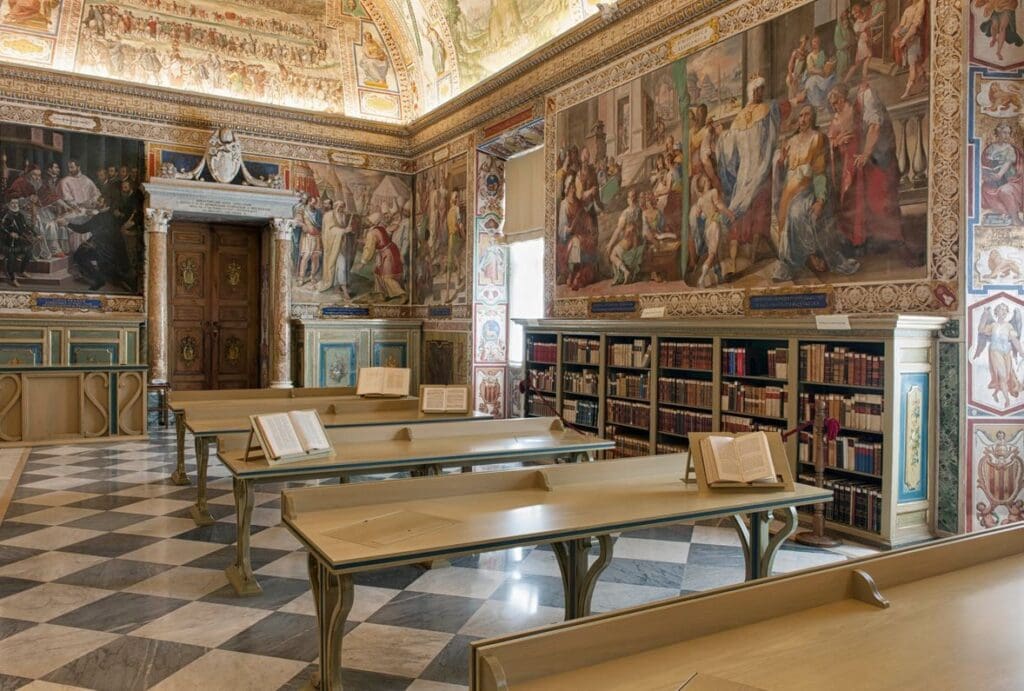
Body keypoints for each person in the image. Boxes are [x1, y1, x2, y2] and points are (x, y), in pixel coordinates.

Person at [717, 76, 799, 276]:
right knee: (743, 211)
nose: (760, 93)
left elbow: (784, 109)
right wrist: (721, 137)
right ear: (751, 91)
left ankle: (754, 255)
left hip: (762, 168)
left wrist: (796, 100)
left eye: (762, 89)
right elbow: (730, 146)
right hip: (746, 172)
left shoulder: (768, 108)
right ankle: (737, 261)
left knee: (760, 210)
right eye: (757, 89)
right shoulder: (740, 117)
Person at [772, 105, 860, 282]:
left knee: (796, 213)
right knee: (782, 216)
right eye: (801, 115)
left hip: (808, 189)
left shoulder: (817, 138)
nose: (803, 119)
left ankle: (810, 256)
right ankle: (792, 262)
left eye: (807, 115)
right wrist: (781, 163)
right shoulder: (790, 142)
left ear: (813, 118)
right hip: (789, 190)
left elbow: (820, 173)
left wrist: (820, 199)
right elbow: (784, 171)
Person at [826, 83, 906, 254]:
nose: (835, 106)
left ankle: (889, 238)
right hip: (858, 159)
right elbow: (834, 137)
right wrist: (838, 143)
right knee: (860, 199)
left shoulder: (864, 100)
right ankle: (864, 237)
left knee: (881, 196)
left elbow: (874, 127)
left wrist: (865, 154)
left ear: (843, 97)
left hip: (876, 155)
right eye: (833, 103)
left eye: (837, 101)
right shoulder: (846, 111)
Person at [690, 174, 734, 288]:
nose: (709, 181)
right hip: (714, 224)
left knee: (716, 253)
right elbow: (719, 205)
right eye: (706, 180)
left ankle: (720, 277)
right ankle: (701, 279)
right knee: (713, 254)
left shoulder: (700, 200)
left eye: (708, 180)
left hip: (708, 226)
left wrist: (706, 212)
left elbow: (698, 214)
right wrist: (729, 214)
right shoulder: (713, 192)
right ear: (703, 185)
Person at [974, 303, 1023, 406]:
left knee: (1008, 376)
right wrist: (985, 315)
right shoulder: (993, 325)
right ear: (996, 312)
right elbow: (980, 330)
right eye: (1001, 309)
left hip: (1006, 353)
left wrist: (1021, 352)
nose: (1004, 311)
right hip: (995, 352)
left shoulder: (1009, 326)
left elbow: (1014, 340)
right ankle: (1007, 400)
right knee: (1003, 375)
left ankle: (996, 393)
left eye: (1005, 309)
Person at [981, 122, 1024, 224]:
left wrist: (999, 174)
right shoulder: (990, 148)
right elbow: (984, 163)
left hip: (1011, 180)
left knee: (1005, 191)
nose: (1006, 135)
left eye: (1008, 133)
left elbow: (1007, 164)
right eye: (1004, 132)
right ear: (998, 133)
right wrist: (988, 174)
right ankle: (1001, 216)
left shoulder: (1010, 148)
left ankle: (1015, 218)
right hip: (993, 181)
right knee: (983, 189)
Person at [318, 198, 359, 300]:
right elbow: (330, 230)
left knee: (339, 266)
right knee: (342, 266)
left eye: (343, 207)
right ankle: (344, 290)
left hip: (342, 244)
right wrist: (344, 231)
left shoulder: (343, 216)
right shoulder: (328, 216)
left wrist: (349, 231)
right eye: (340, 207)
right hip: (332, 245)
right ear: (335, 206)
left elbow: (344, 228)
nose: (341, 209)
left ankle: (337, 286)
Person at [892, 0, 928, 99]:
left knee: (912, 64)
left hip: (914, 38)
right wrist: (896, 32)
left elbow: (915, 27)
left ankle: (908, 90)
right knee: (916, 63)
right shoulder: (908, 9)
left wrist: (904, 39)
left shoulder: (921, 4)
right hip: (907, 38)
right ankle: (925, 82)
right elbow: (901, 25)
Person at [359, 223, 405, 300]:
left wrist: (363, 263)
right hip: (391, 250)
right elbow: (380, 239)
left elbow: (369, 249)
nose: (364, 222)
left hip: (387, 254)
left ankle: (402, 294)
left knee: (387, 275)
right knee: (377, 272)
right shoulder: (379, 228)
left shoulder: (371, 233)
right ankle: (381, 293)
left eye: (367, 221)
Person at [606, 189, 642, 285]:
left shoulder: (627, 212)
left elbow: (618, 230)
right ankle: (621, 276)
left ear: (629, 200)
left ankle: (625, 272)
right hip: (637, 239)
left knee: (612, 254)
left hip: (629, 240)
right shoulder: (640, 210)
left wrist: (610, 244)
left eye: (632, 197)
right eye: (631, 197)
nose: (631, 199)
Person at [0, 199, 32, 286]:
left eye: (16, 203)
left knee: (29, 252)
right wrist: (10, 233)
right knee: (11, 258)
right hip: (7, 242)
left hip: (19, 241)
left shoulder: (21, 215)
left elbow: (25, 226)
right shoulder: (6, 215)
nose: (15, 205)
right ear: (9, 204)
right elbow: (2, 227)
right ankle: (12, 278)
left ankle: (22, 271)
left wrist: (36, 234)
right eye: (12, 203)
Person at [804, 36, 837, 109]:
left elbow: (826, 63)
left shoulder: (822, 53)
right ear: (812, 44)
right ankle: (818, 103)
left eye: (818, 42)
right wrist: (820, 72)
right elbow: (810, 69)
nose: (817, 43)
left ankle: (831, 100)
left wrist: (830, 64)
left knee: (833, 78)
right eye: (815, 42)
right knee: (812, 83)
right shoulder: (810, 56)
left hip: (824, 74)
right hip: (815, 75)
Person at [296, 196, 323, 285]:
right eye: (313, 202)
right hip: (308, 237)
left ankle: (312, 276)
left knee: (315, 257)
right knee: (306, 256)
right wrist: (304, 226)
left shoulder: (318, 212)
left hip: (317, 236)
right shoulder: (302, 210)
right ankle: (301, 277)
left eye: (315, 203)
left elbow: (321, 224)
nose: (315, 204)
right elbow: (298, 221)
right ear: (308, 202)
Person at [444, 190, 464, 302]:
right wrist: (465, 236)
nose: (457, 199)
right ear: (452, 199)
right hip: (454, 237)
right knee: (451, 263)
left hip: (452, 237)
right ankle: (447, 294)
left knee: (457, 258)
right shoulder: (456, 209)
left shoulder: (449, 212)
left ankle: (459, 278)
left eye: (458, 197)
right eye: (456, 197)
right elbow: (460, 225)